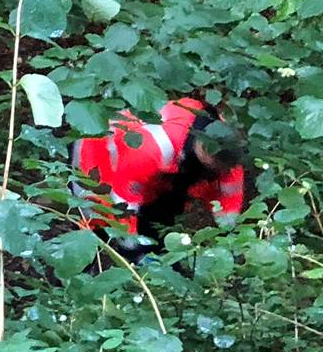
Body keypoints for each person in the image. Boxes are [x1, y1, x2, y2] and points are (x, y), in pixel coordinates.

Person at [74, 97, 246, 258]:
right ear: (206, 152)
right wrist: (133, 250)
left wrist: (230, 237)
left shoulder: (222, 142)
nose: (226, 171)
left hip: (154, 178)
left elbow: (229, 194)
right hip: (96, 164)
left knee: (161, 220)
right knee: (99, 227)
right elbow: (123, 204)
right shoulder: (153, 149)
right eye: (220, 167)